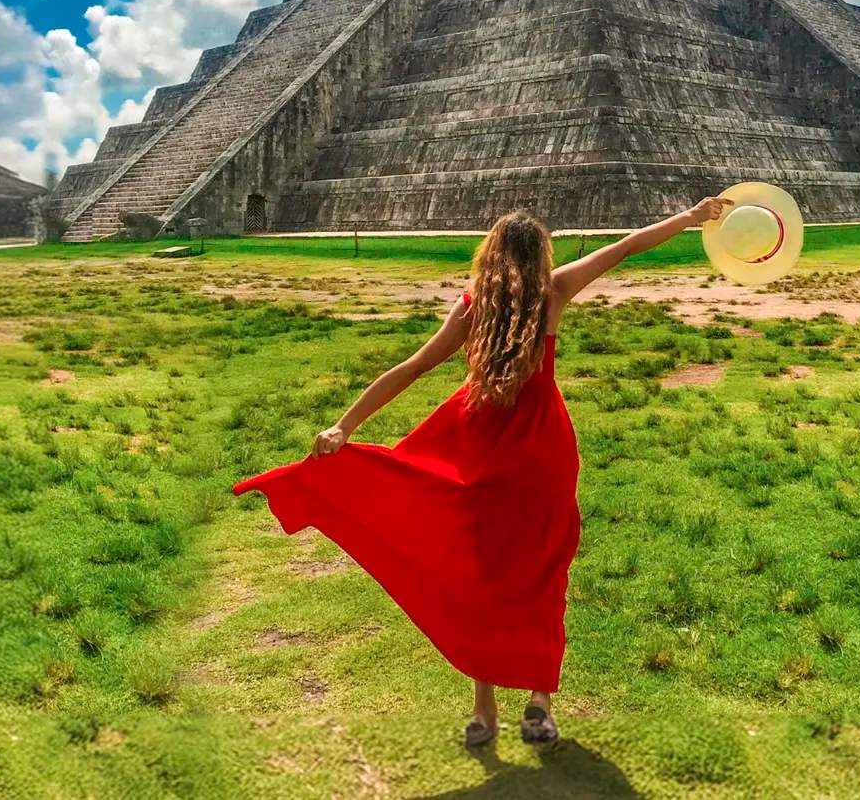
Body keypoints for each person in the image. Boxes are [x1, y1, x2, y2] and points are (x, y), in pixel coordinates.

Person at [232, 198, 731, 748]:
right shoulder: (554, 292)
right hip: (541, 454)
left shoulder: (473, 308)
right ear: (541, 255)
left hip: (477, 453)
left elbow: (414, 366)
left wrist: (344, 426)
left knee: (482, 576)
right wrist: (689, 217)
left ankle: (485, 710)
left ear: (490, 256)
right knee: (544, 573)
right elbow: (626, 247)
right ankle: (539, 702)